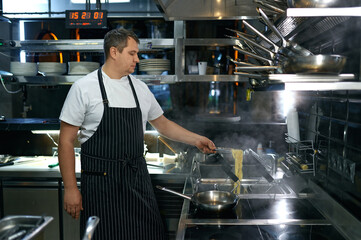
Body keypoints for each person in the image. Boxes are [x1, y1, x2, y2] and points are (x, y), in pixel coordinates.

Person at [58, 28, 216, 240]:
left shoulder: (140, 88)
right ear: (114, 52)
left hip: (137, 182)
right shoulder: (84, 88)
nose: (137, 59)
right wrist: (70, 188)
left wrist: (197, 140)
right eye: (132, 53)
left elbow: (163, 124)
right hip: (101, 186)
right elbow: (66, 141)